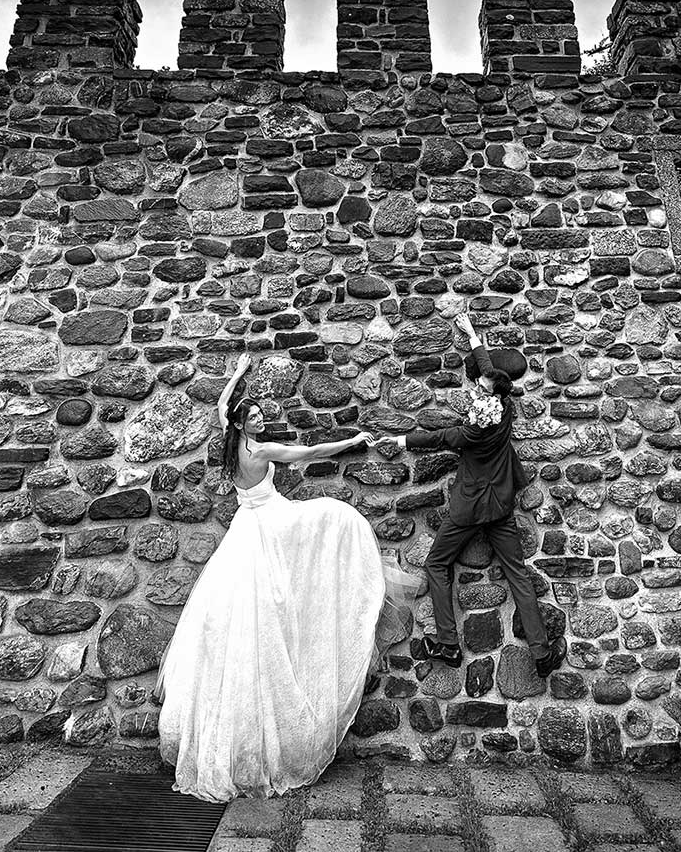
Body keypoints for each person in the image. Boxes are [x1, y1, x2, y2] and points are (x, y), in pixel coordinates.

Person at [158, 353, 384, 802]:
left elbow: (222, 406)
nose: (261, 421)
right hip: (268, 525)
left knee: (240, 620)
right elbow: (312, 452)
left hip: (245, 528)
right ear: (245, 427)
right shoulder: (259, 450)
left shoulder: (230, 440)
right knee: (332, 520)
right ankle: (263, 749)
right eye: (256, 417)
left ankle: (236, 742)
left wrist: (238, 372)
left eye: (262, 416)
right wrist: (353, 441)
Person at [386, 312, 566, 677]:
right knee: (517, 573)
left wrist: (400, 439)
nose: (476, 388)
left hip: (468, 510)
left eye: (479, 389)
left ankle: (449, 644)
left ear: (487, 397)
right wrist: (471, 334)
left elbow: (435, 438)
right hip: (499, 507)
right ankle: (541, 651)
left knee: (437, 563)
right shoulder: (506, 411)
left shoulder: (469, 432)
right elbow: (489, 371)